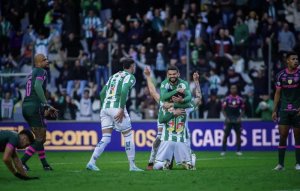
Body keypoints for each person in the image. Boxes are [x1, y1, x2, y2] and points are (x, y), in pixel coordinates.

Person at [86, 57, 143, 171]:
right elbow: (124, 90)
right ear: (132, 66)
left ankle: (91, 163)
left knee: (106, 137)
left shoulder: (114, 76)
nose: (135, 67)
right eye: (134, 66)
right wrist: (121, 109)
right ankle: (132, 166)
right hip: (117, 107)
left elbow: (102, 92)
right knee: (128, 135)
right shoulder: (130, 77)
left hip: (105, 108)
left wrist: (104, 108)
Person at [144, 67, 201, 170]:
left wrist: (196, 81)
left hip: (178, 134)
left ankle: (164, 162)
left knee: (165, 139)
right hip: (176, 132)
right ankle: (153, 161)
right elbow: (198, 99)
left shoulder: (166, 104)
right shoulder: (181, 106)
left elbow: (153, 92)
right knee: (160, 137)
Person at [21, 54, 58, 171]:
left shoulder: (32, 72)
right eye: (44, 60)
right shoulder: (41, 71)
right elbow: (37, 86)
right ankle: (21, 162)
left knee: (38, 138)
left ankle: (45, 165)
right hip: (34, 106)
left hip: (26, 106)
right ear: (38, 63)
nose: (47, 61)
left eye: (47, 59)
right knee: (41, 139)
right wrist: (46, 104)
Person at [272, 51, 300, 171]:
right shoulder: (280, 75)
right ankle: (280, 165)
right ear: (287, 61)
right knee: (283, 136)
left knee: (298, 137)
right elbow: (277, 93)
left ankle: (298, 163)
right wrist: (274, 110)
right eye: (293, 59)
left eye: (297, 59)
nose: (296, 61)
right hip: (284, 110)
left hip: (297, 110)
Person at [221, 84, 245, 156]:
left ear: (236, 90)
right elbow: (223, 109)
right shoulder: (227, 99)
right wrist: (227, 118)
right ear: (230, 90)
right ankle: (223, 150)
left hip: (237, 119)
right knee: (225, 135)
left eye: (234, 88)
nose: (233, 89)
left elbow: (243, 110)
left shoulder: (240, 99)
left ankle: (238, 150)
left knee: (238, 135)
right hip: (229, 119)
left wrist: (240, 118)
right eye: (232, 88)